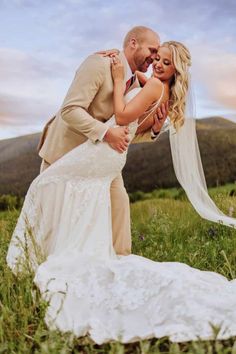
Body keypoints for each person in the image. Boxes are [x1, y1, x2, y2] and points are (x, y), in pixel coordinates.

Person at [7, 40, 236, 343]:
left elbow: (124, 117)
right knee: (73, 193)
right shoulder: (152, 82)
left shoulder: (154, 86)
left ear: (176, 69)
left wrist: (118, 80)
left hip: (107, 148)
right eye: (157, 56)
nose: (157, 62)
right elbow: (142, 92)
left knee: (47, 184)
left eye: (166, 61)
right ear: (134, 44)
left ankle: (66, 254)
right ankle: (78, 250)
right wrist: (128, 74)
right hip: (103, 148)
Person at [37, 26, 167, 256]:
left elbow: (121, 131)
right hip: (63, 154)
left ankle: (121, 268)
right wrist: (107, 134)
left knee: (119, 203)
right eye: (152, 49)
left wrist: (154, 130)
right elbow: (70, 110)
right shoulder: (98, 64)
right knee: (53, 226)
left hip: (98, 160)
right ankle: (40, 276)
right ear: (133, 43)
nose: (155, 57)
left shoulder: (137, 85)